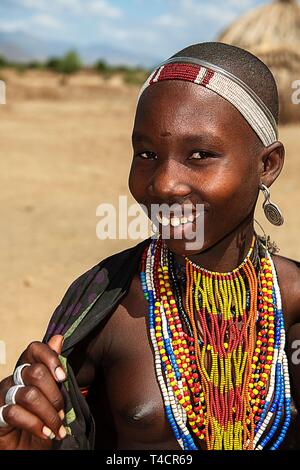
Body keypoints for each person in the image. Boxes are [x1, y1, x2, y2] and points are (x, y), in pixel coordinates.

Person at [0, 41, 299, 451]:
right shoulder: (107, 307)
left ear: (268, 165)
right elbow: (52, 431)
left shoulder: (294, 301)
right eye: (147, 154)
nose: (162, 184)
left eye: (200, 154)